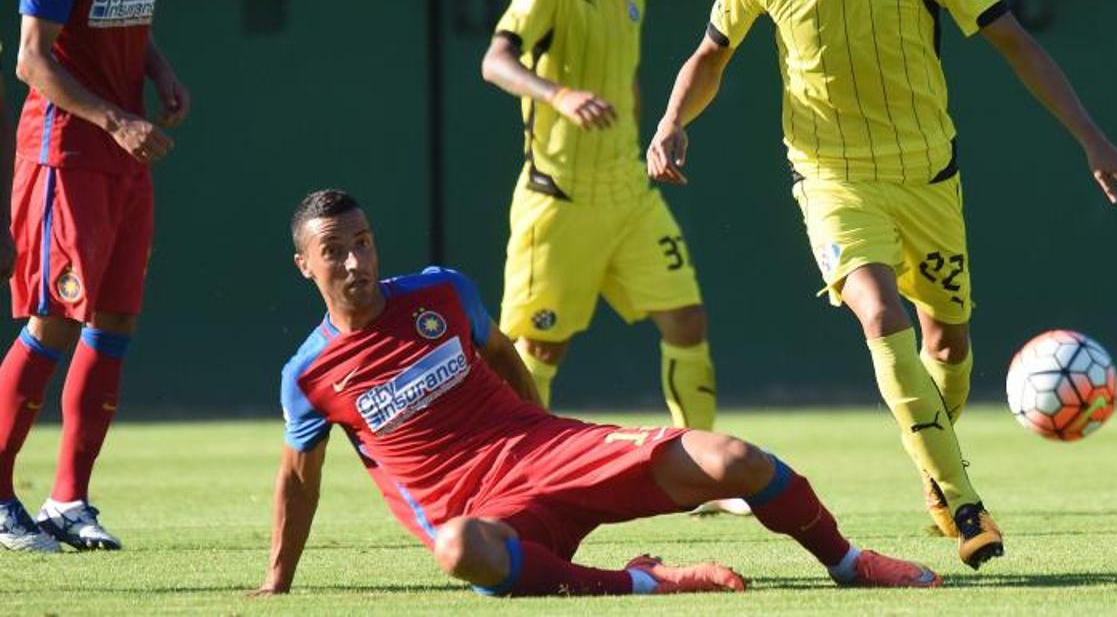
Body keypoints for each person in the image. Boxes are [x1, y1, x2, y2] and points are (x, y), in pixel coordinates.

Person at [647, 0, 1117, 570]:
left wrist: (1092, 136)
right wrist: (674, 119)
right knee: (880, 314)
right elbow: (710, 54)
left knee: (949, 341)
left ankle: (930, 474)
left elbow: (1015, 42)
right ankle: (965, 499)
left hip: (928, 179)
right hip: (832, 179)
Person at [250, 188, 943, 597]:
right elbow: (298, 482)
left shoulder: (441, 291)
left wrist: (540, 425)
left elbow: (502, 354)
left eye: (364, 242)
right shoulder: (308, 375)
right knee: (460, 550)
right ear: (303, 264)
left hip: (550, 450)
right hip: (484, 513)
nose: (355, 262)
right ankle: (646, 582)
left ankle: (849, 562)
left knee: (736, 459)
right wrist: (278, 582)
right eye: (335, 249)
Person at [0, 0, 189, 553]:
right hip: (64, 153)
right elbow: (30, 58)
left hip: (123, 154)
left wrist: (162, 70)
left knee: (114, 323)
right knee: (53, 318)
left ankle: (68, 501)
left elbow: (123, 21)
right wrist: (115, 117)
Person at [480, 0, 720, 439]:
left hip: (628, 195)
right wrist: (557, 94)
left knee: (686, 319)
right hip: (558, 197)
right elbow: (495, 61)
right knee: (537, 347)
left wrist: (651, 145)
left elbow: (627, 83)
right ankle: (515, 472)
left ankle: (709, 473)